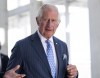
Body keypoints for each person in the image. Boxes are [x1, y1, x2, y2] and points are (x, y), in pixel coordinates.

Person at [6, 4, 78, 78]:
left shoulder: (63, 46)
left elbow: (64, 74)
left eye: (53, 20)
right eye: (46, 19)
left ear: (58, 24)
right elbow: (10, 75)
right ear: (38, 21)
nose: (49, 24)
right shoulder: (21, 46)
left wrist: (73, 74)